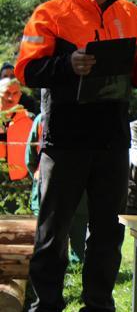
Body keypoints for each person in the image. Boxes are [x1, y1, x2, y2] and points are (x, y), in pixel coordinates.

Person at [15, 0, 137, 312]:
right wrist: (68, 65)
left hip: (112, 140)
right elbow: (27, 72)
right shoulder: (51, 13)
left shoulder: (131, 14)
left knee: (107, 232)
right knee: (53, 232)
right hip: (64, 139)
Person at [25, 113, 89, 264]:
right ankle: (51, 265)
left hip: (79, 188)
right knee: (48, 233)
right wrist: (38, 175)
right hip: (49, 188)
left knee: (78, 233)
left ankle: (77, 265)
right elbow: (30, 156)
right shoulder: (42, 119)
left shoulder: (88, 116)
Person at [0, 77, 33, 182]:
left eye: (15, 93)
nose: (11, 98)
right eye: (7, 93)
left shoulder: (29, 121)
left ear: (20, 96)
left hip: (20, 185)